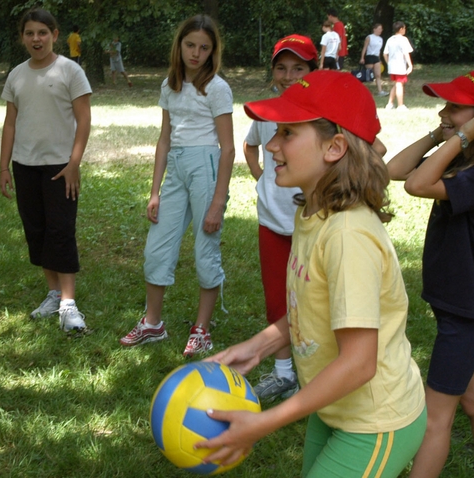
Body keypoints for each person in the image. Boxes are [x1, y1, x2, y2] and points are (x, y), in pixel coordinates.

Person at [196, 70, 427, 477]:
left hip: (374, 420)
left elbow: (359, 363)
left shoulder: (348, 234)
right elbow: (313, 308)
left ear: (335, 147)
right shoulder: (314, 214)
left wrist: (265, 422)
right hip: (334, 406)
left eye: (287, 133)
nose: (271, 145)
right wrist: (260, 346)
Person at [387, 70, 474, 478]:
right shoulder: (466, 158)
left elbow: (417, 185)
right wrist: (441, 136)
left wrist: (460, 136)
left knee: (435, 417)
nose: (444, 111)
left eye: (456, 107)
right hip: (465, 305)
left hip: (467, 312)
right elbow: (395, 169)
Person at [119, 14, 235, 357]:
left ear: (213, 52)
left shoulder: (217, 88)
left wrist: (218, 202)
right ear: (179, 45)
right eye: (190, 45)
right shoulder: (169, 85)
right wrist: (154, 192)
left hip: (206, 167)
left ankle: (202, 329)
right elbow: (164, 140)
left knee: (205, 250)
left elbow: (227, 148)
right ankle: (153, 323)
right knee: (157, 247)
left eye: (204, 47)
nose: (195, 53)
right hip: (177, 169)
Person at [0, 8, 92, 333]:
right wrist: (4, 166)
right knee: (36, 230)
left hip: (60, 167)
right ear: (22, 37)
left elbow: (84, 120)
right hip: (25, 166)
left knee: (61, 230)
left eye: (42, 32)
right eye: (29, 33)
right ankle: (53, 293)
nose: (36, 39)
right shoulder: (16, 75)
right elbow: (10, 123)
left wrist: (74, 163)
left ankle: (69, 305)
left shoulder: (70, 71)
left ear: (55, 34)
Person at [243, 34, 318, 401]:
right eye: (282, 67)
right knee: (278, 297)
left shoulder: (322, 114)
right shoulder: (266, 110)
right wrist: (261, 176)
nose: (289, 76)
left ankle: (319, 373)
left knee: (316, 297)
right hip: (272, 220)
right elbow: (250, 142)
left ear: (312, 71)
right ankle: (284, 372)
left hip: (313, 221)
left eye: (298, 68)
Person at [383, 21, 413, 110]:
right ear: (401, 29)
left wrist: (388, 63)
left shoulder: (390, 39)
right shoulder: (403, 39)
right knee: (400, 84)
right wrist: (410, 65)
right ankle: (400, 105)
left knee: (397, 84)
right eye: (404, 28)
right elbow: (406, 53)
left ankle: (390, 104)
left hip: (392, 65)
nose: (405, 30)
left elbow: (385, 54)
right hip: (400, 65)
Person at [359, 23, 387, 96]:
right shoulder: (369, 37)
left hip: (376, 57)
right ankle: (361, 91)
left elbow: (379, 50)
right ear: (375, 29)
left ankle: (380, 91)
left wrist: (379, 59)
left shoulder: (381, 39)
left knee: (378, 75)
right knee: (368, 75)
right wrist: (362, 57)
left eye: (381, 29)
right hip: (369, 56)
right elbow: (365, 48)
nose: (381, 30)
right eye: (379, 29)